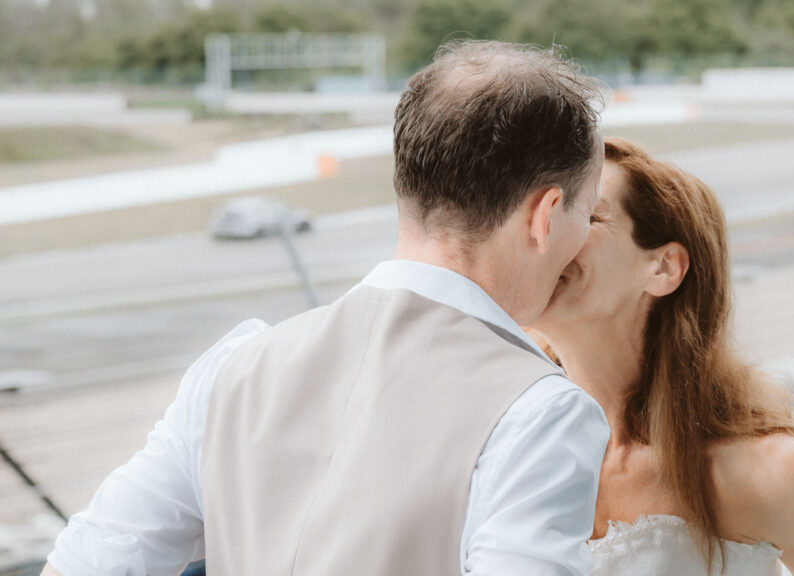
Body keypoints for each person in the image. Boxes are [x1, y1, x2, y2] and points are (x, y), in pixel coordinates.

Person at [41, 40, 609, 576]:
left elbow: (87, 560)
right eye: (587, 213)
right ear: (545, 214)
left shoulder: (233, 369)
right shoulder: (540, 412)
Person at [529, 137, 794, 576]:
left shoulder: (770, 472)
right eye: (550, 211)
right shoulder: (515, 450)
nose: (548, 235)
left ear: (663, 268)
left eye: (589, 215)